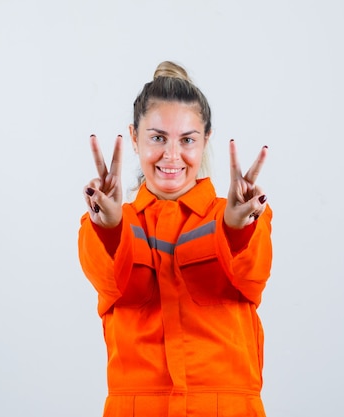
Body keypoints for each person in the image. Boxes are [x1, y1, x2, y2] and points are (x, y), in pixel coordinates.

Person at [78, 61, 273, 417]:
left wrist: (234, 228)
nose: (171, 156)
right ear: (134, 138)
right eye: (157, 138)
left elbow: (251, 276)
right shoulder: (112, 223)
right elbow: (113, 283)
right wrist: (110, 229)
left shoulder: (240, 216)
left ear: (205, 141)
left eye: (187, 140)